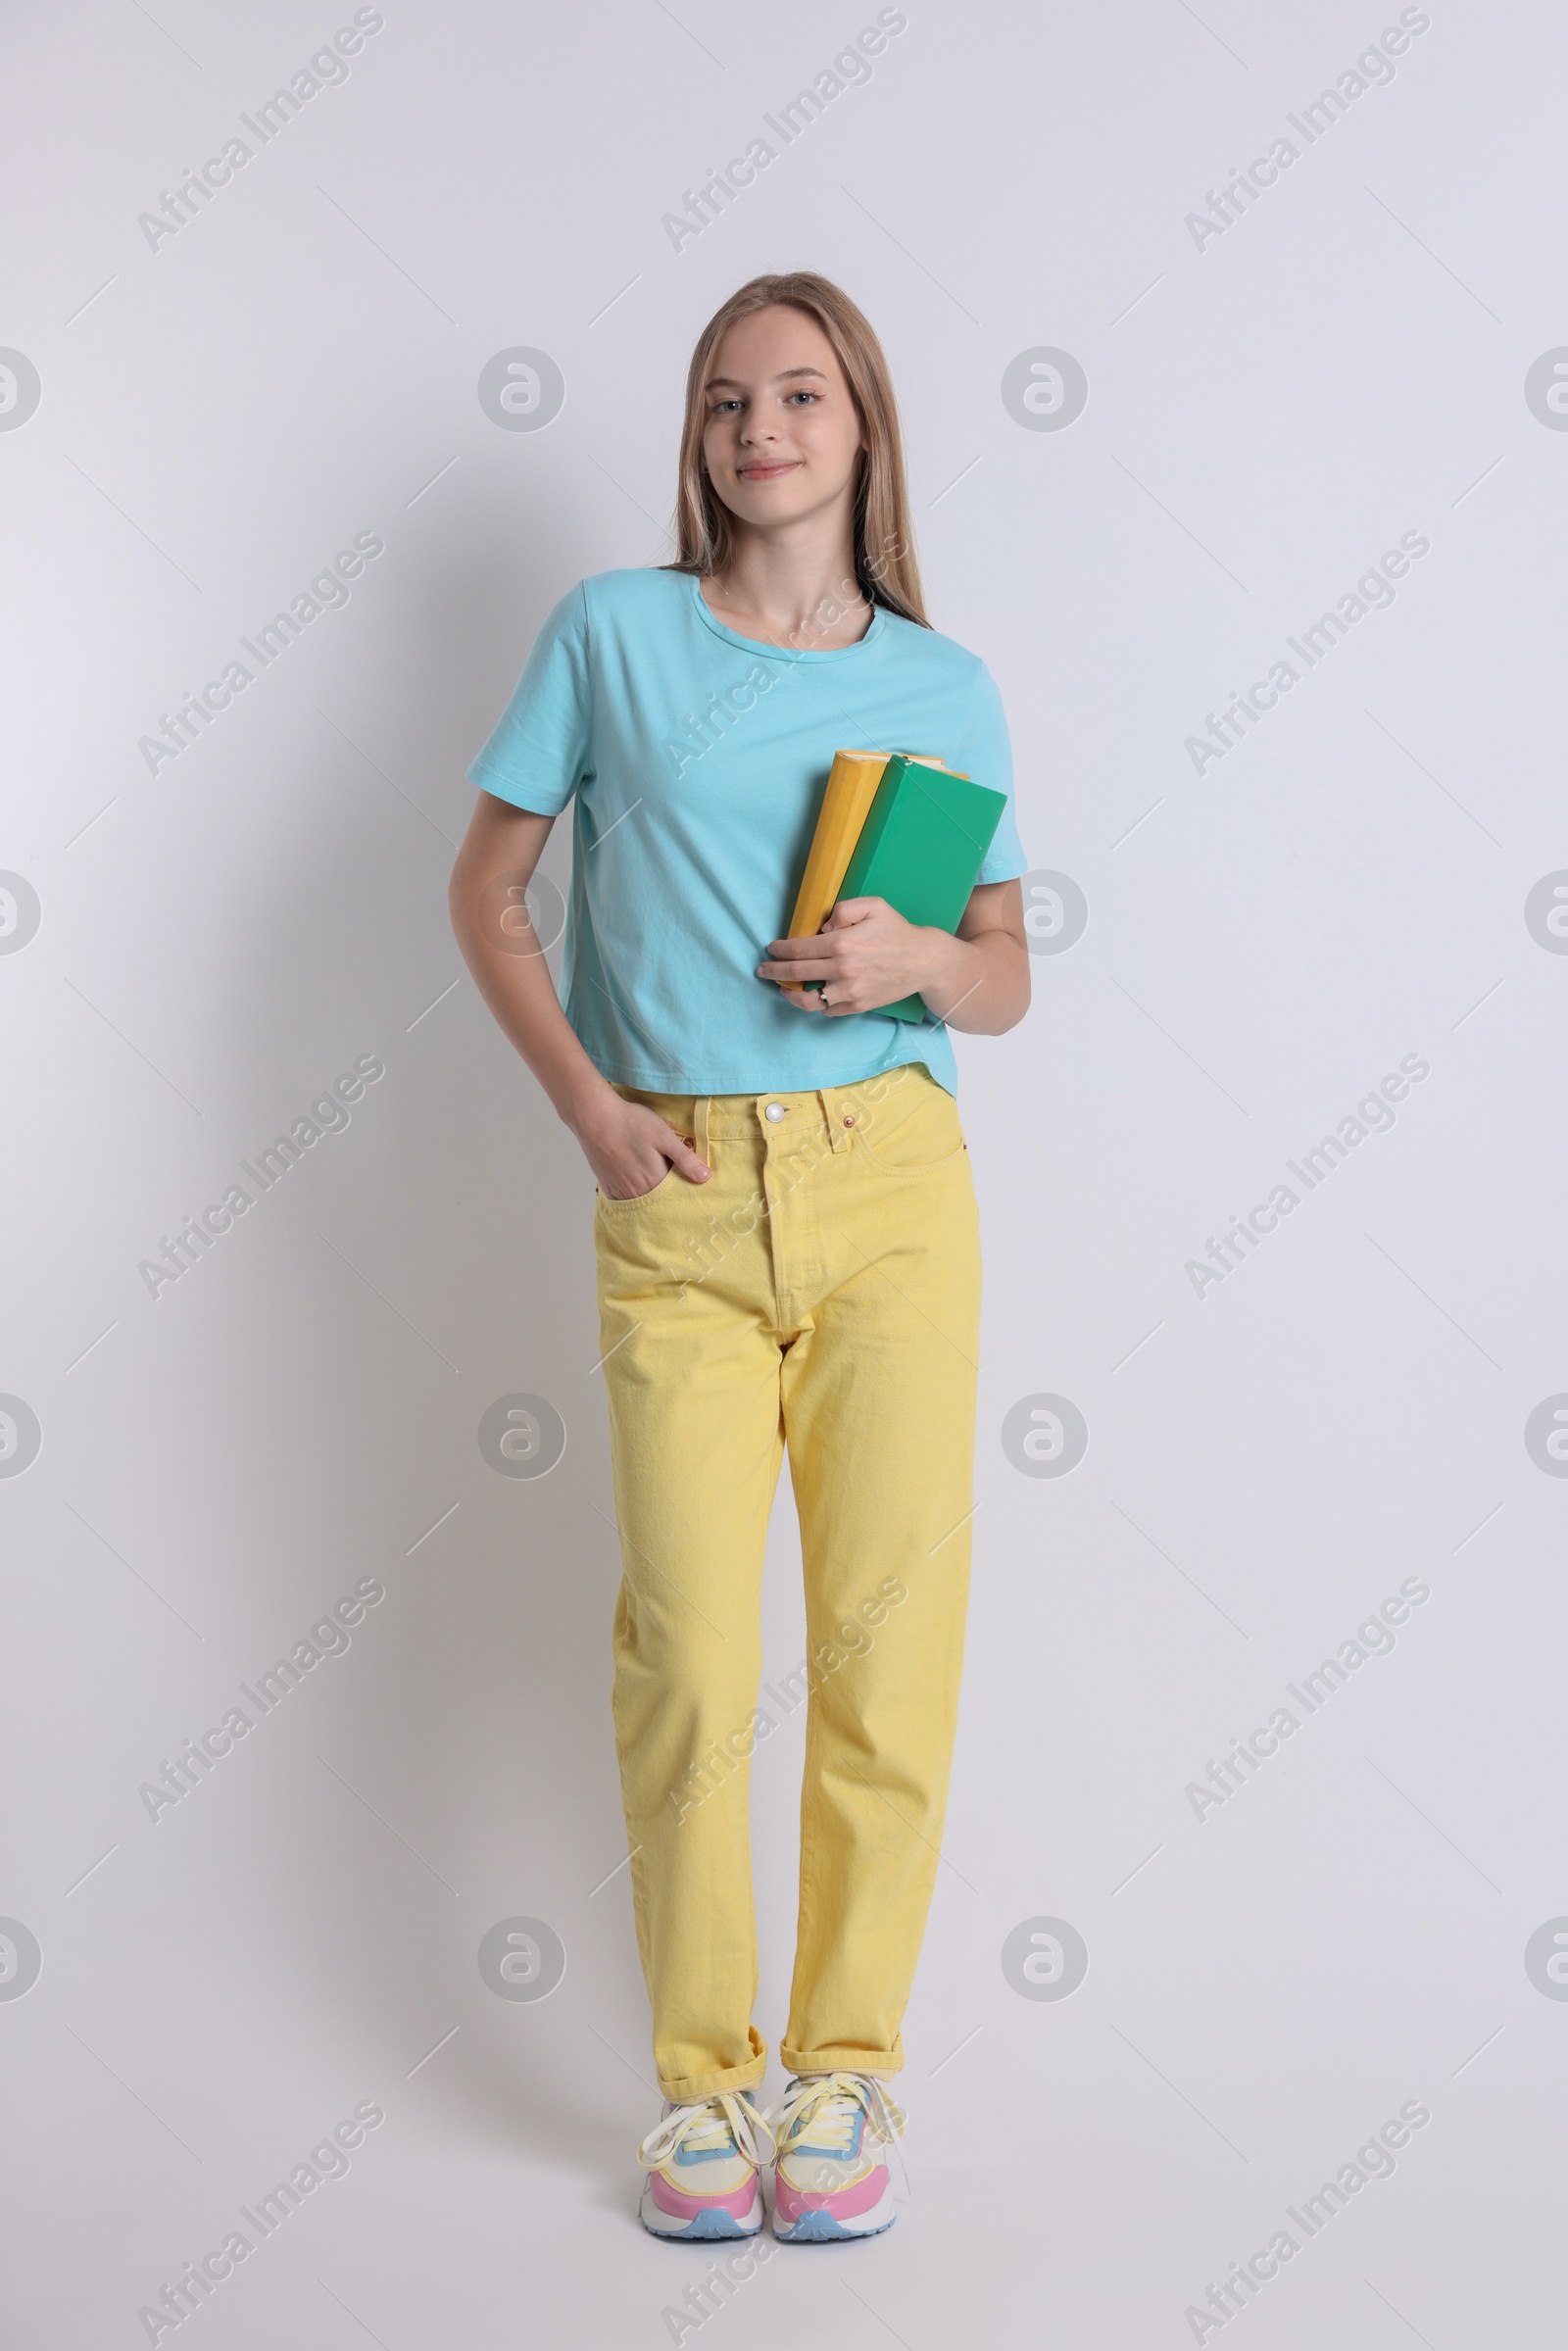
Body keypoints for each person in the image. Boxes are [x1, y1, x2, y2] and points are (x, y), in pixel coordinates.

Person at [449, 270, 1030, 2242]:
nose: (759, 427)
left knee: (884, 1646)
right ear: (695, 442)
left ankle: (844, 2073)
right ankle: (705, 2090)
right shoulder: (610, 635)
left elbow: (1007, 974)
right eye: (722, 400)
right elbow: (490, 890)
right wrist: (582, 1108)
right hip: (673, 1190)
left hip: (889, 1184)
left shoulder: (939, 687)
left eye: (798, 394)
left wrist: (920, 959)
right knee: (690, 1655)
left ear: (862, 429)